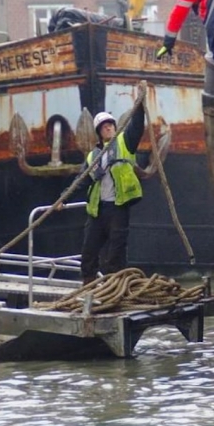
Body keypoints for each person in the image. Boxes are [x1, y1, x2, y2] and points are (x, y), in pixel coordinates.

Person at [79, 84, 146, 285]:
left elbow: (137, 128)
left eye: (111, 125)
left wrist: (140, 105)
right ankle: (89, 286)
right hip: (98, 211)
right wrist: (61, 199)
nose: (109, 127)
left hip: (118, 208)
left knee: (115, 254)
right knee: (88, 253)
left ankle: (115, 288)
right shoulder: (93, 156)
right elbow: (81, 181)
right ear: (99, 132)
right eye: (104, 126)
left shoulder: (125, 144)